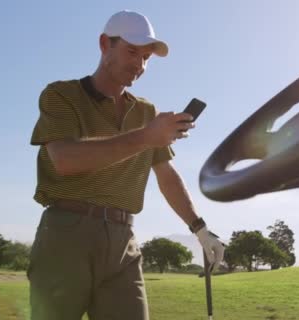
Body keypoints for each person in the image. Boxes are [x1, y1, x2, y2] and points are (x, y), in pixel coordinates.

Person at [27, 10, 225, 320]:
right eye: (132, 51)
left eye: (146, 57)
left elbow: (166, 174)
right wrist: (147, 137)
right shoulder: (61, 95)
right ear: (105, 44)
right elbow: (65, 160)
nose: (140, 65)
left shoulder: (147, 112)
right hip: (66, 234)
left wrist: (200, 229)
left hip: (124, 240)